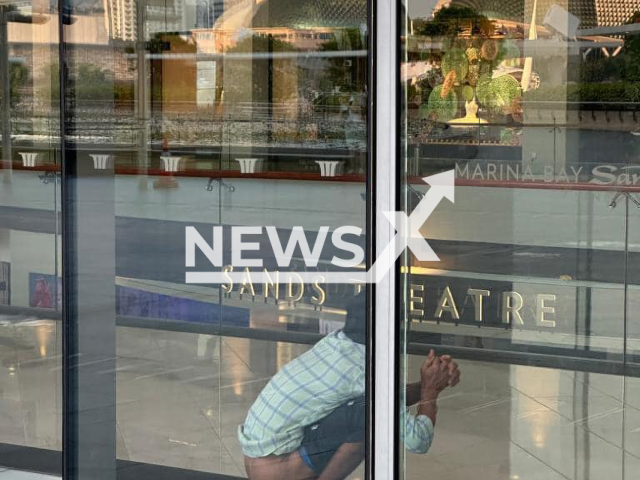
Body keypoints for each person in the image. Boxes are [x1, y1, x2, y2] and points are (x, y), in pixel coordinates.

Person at [238, 292, 461, 480]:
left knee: (367, 408)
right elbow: (418, 440)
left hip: (259, 458)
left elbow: (385, 400)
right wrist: (430, 391)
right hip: (278, 466)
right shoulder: (368, 369)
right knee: (367, 416)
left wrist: (428, 384)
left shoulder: (336, 343)